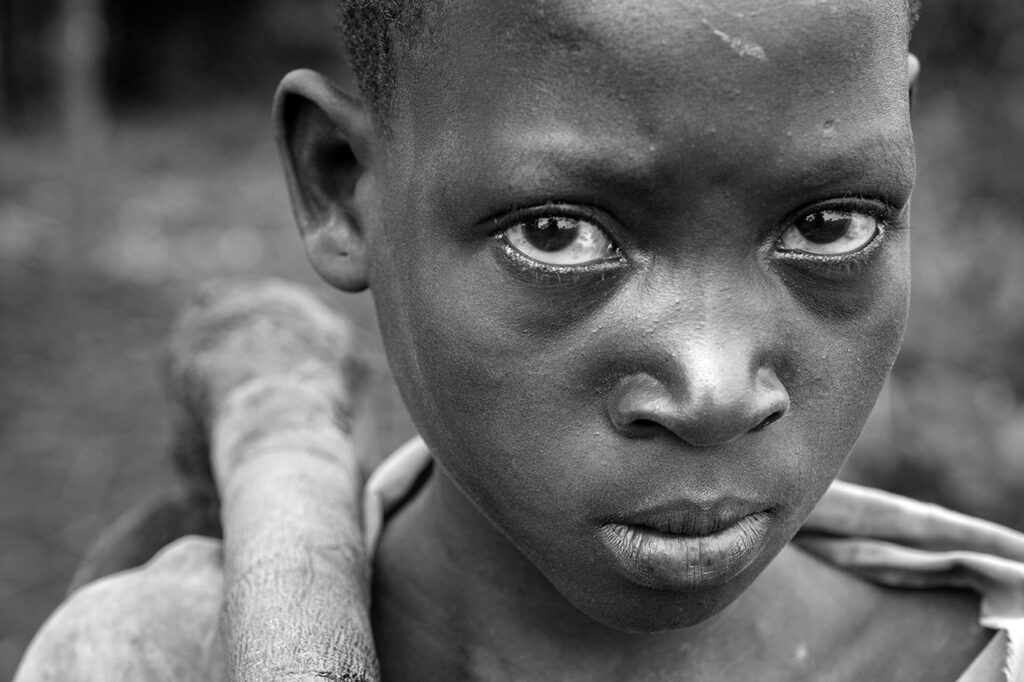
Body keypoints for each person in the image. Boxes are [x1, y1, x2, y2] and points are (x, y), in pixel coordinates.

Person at [15, 0, 1024, 679]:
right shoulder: (144, 658)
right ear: (341, 185)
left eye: (828, 224)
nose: (714, 386)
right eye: (558, 233)